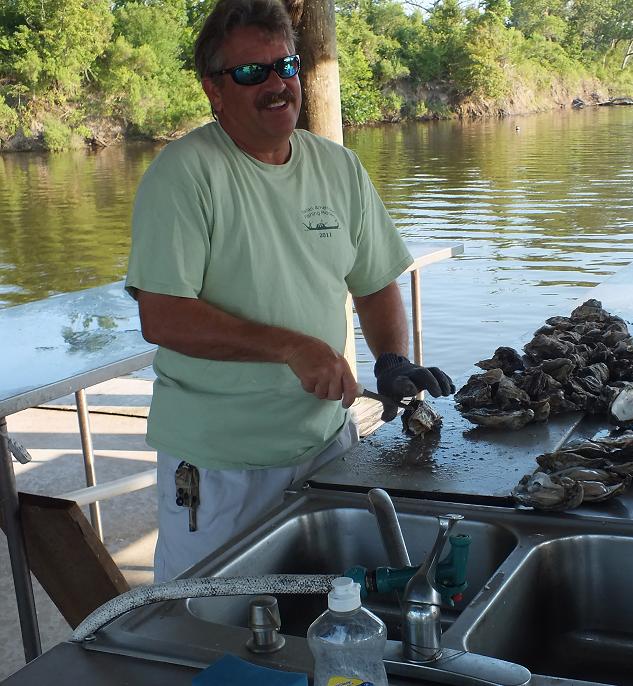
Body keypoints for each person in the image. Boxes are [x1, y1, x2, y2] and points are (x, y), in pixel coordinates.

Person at [125, 0, 454, 581]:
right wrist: (289, 346)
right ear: (214, 90)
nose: (277, 84)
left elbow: (376, 282)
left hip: (327, 445)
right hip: (220, 467)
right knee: (214, 628)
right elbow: (164, 316)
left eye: (287, 66)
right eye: (252, 72)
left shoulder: (339, 166)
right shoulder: (184, 174)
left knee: (330, 611)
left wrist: (393, 360)